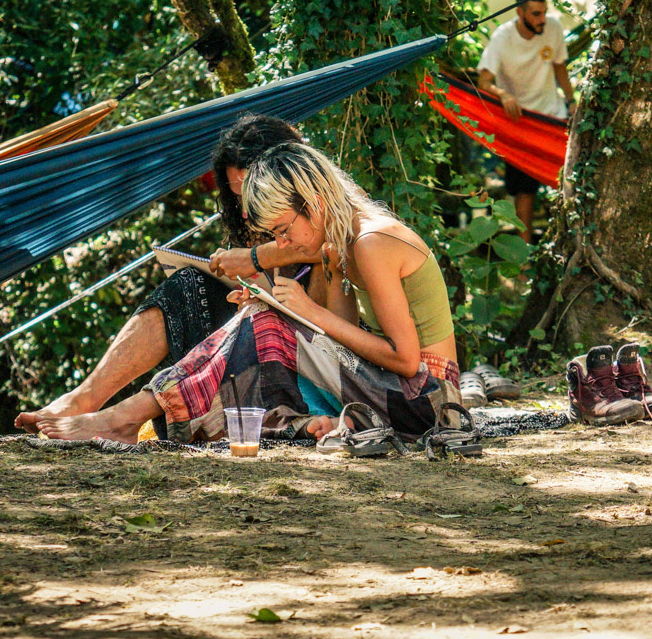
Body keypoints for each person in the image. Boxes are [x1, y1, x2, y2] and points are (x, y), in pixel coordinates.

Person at [36, 141, 461, 444]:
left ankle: (126, 416)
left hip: (432, 401)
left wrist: (304, 310)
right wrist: (286, 306)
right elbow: (340, 345)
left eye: (283, 231)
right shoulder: (339, 243)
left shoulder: (370, 242)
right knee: (265, 320)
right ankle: (131, 415)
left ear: (312, 205)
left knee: (265, 324)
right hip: (398, 392)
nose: (285, 245)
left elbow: (406, 360)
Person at [14, 114, 321, 434]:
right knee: (188, 287)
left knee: (247, 314)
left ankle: (124, 419)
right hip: (256, 334)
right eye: (237, 195)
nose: (245, 209)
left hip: (308, 351)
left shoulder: (328, 211)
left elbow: (318, 245)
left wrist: (254, 258)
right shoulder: (249, 222)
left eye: (252, 191)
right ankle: (84, 400)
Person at [476, 0, 577, 243]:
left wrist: (571, 101)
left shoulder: (553, 28)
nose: (541, 19)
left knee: (567, 182)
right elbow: (484, 81)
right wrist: (504, 95)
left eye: (543, 12)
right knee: (524, 191)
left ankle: (565, 246)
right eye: (535, 14)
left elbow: (560, 69)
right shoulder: (503, 37)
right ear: (520, 13)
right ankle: (524, 257)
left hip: (551, 119)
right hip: (519, 122)